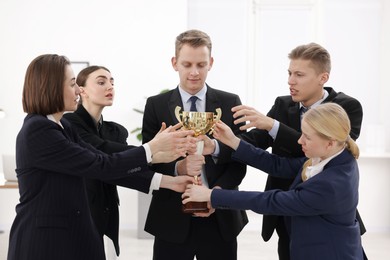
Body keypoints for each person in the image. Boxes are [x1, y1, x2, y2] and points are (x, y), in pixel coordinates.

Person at [8, 54, 197, 260]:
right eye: (72, 84)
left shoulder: (63, 126)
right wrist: (151, 149)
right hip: (45, 242)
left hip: (71, 234)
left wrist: (168, 178)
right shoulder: (39, 130)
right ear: (52, 87)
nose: (77, 90)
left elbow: (103, 161)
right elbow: (102, 165)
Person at [216, 42, 365, 260]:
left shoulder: (345, 108)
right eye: (289, 73)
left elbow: (322, 150)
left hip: (324, 217)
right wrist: (219, 145)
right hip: (286, 216)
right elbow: (264, 148)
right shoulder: (282, 104)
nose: (290, 81)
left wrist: (273, 125)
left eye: (299, 74)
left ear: (323, 78)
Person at [183, 103, 366, 260]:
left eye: (307, 137)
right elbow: (278, 165)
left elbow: (271, 201)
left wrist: (212, 195)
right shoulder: (335, 156)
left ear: (330, 142)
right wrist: (232, 141)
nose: (300, 140)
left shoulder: (330, 184)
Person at [142, 29, 248, 260]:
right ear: (174, 63)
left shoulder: (231, 102)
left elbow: (240, 160)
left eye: (201, 64)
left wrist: (216, 196)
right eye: (187, 64)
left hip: (220, 217)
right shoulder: (155, 105)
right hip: (171, 218)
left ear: (211, 63)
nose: (194, 72)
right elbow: (148, 161)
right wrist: (178, 168)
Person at [63, 66, 129, 259]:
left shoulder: (117, 131)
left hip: (107, 213)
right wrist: (151, 150)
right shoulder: (69, 123)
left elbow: (125, 167)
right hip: (78, 213)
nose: (110, 87)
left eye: (112, 82)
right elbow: (101, 151)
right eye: (101, 82)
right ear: (81, 90)